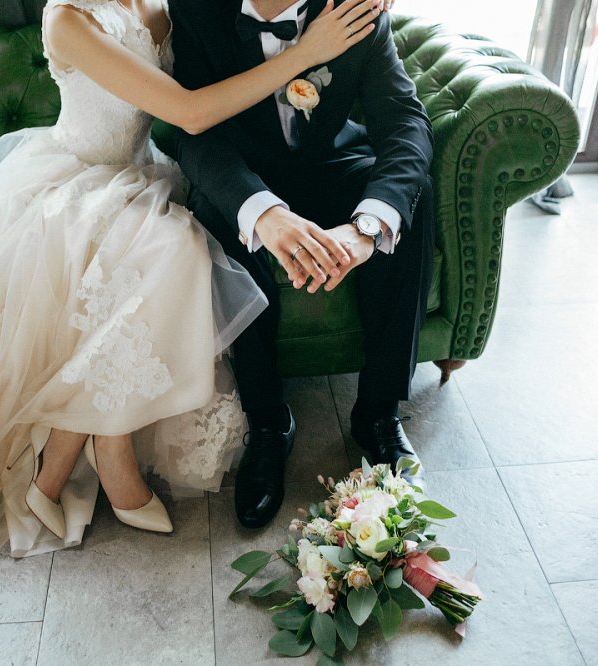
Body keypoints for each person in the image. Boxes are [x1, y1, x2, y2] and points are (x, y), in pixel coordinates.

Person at [0, 0, 386, 612]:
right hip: (75, 183)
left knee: (174, 246)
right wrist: (306, 53)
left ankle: (72, 455)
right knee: (174, 251)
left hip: (142, 178)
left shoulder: (162, 3)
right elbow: (189, 112)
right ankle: (103, 451)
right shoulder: (69, 19)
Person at [168, 0, 435, 528]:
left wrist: (366, 228)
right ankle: (268, 424)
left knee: (411, 198)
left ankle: (378, 414)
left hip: (332, 164)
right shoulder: (197, 10)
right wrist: (262, 212)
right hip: (247, 171)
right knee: (214, 215)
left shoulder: (357, 9)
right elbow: (193, 134)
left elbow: (405, 120)